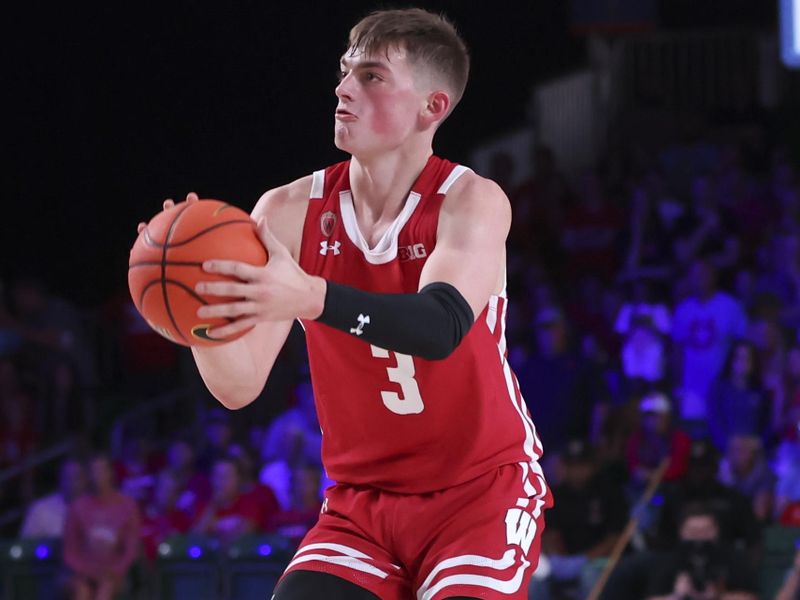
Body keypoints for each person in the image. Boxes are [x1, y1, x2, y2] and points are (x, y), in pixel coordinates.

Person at [143, 8, 550, 599]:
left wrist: (311, 295)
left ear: (431, 108)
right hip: (363, 504)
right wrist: (194, 309)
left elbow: (440, 328)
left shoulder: (471, 202)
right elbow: (239, 385)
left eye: (372, 76)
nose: (343, 88)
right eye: (344, 72)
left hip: (479, 490)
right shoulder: (285, 211)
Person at [63, 453, 141, 600]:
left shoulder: (127, 505)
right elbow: (70, 551)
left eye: (101, 470)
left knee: (105, 590)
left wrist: (115, 571)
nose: (97, 475)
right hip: (83, 572)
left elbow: (131, 550)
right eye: (93, 471)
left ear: (110, 473)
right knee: (82, 592)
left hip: (114, 573)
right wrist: (87, 571)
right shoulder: (78, 506)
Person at [644, 503, 759, 600]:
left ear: (717, 530)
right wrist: (675, 596)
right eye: (693, 532)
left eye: (705, 531)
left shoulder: (734, 558)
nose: (700, 537)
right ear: (681, 532)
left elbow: (752, 597)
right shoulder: (668, 560)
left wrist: (720, 595)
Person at [20, 458, 88, 538]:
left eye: (77, 478)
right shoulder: (40, 510)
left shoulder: (96, 507)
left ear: (85, 480)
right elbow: (26, 545)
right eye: (68, 478)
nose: (72, 483)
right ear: (60, 480)